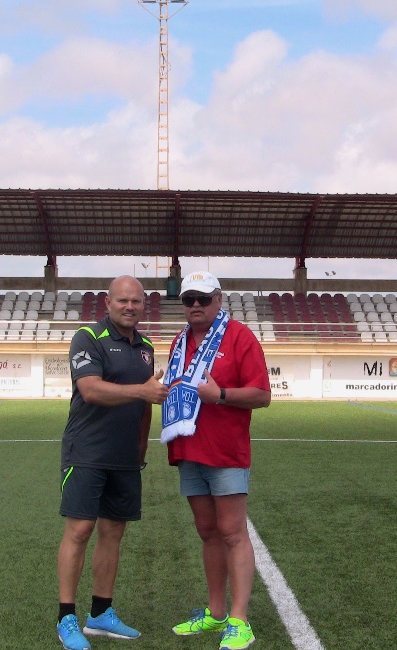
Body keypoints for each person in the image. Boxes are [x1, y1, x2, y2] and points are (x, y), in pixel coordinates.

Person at [56, 275, 167, 650]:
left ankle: (101, 613)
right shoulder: (87, 337)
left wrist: (140, 450)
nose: (130, 307)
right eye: (123, 301)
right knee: (80, 530)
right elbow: (90, 389)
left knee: (113, 533)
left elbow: (146, 404)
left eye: (136, 301)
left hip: (124, 458)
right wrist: (143, 390)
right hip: (86, 451)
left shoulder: (146, 346)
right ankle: (66, 617)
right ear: (107, 302)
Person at [162, 271, 271, 650]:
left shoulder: (240, 337)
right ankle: (216, 612)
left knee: (232, 532)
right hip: (189, 448)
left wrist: (220, 394)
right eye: (189, 299)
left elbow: (261, 394)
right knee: (207, 531)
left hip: (225, 451)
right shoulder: (179, 341)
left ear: (218, 301)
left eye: (203, 299)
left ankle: (240, 621)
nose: (195, 305)